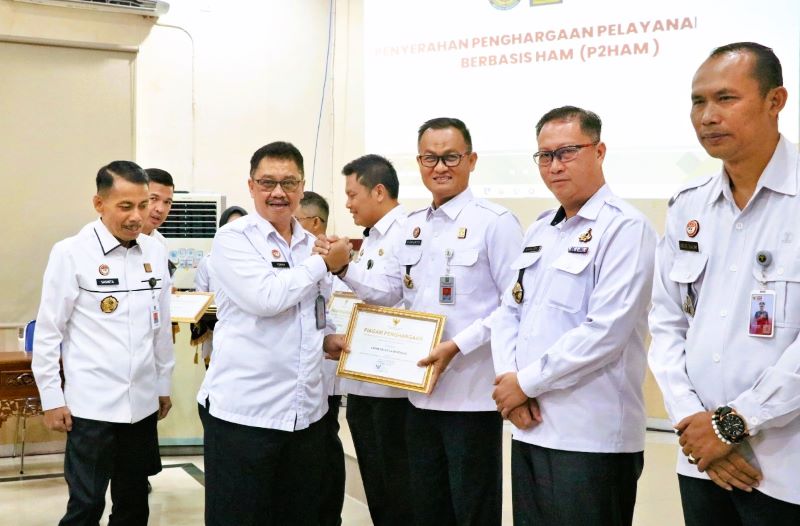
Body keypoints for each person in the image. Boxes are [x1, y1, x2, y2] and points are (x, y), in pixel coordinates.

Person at [321, 118, 522, 525]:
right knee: (427, 509)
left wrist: (457, 345)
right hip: (418, 398)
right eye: (430, 158)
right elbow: (388, 292)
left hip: (470, 398)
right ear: (419, 163)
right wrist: (344, 269)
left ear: (471, 160)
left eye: (451, 157)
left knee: (472, 510)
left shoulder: (495, 222)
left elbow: (514, 305)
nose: (440, 167)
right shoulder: (414, 225)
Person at [649, 42, 800, 525]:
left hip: (785, 466)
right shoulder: (688, 205)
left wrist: (734, 424)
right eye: (698, 101)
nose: (707, 116)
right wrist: (693, 422)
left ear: (775, 101)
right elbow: (667, 324)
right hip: (701, 460)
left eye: (725, 98)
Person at [491, 106, 657, 526]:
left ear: (599, 151)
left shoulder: (626, 228)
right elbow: (509, 312)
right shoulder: (539, 229)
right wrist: (509, 380)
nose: (554, 166)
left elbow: (606, 332)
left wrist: (524, 384)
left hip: (591, 436)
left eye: (567, 152)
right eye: (545, 156)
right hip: (530, 426)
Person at [196, 141, 351, 526]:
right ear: (251, 186)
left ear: (302, 187)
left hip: (305, 414)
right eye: (267, 182)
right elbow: (266, 298)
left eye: (289, 182)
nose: (278, 192)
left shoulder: (311, 244)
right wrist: (322, 264)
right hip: (245, 415)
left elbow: (312, 309)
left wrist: (326, 338)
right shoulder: (234, 239)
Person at [31, 160, 175, 525]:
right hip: (91, 407)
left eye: (143, 205)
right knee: (86, 504)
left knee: (134, 503)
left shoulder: (155, 251)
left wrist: (162, 384)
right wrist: (52, 398)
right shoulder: (71, 253)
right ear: (99, 203)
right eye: (125, 206)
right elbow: (49, 332)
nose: (137, 216)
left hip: (141, 403)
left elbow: (160, 327)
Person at [337, 154, 414, 526]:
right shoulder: (372, 237)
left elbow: (387, 294)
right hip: (364, 379)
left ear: (379, 191)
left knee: (397, 487)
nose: (348, 204)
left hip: (391, 387)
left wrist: (342, 268)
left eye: (353, 194)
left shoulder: (407, 232)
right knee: (378, 488)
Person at [294, 190, 346, 526]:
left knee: (325, 448)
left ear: (314, 223)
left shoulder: (335, 258)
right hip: (300, 376)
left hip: (325, 372)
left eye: (296, 220)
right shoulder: (301, 257)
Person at [193, 205, 248, 365]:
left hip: (248, 335)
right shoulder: (208, 261)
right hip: (215, 331)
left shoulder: (256, 262)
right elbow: (200, 298)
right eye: (230, 227)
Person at [142, 168, 175, 246]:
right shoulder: (117, 239)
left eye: (167, 202)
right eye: (153, 198)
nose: (160, 209)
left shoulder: (161, 244)